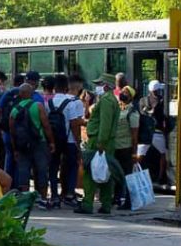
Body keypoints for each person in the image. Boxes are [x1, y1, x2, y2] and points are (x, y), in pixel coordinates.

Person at [76, 76, 120, 215]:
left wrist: (101, 141)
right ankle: (106, 204)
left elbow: (105, 123)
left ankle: (87, 203)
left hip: (98, 141)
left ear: (106, 85)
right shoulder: (111, 100)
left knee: (90, 171)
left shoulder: (106, 100)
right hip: (107, 141)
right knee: (106, 172)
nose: (97, 87)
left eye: (99, 84)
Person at [9, 83, 55, 207]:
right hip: (39, 142)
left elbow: (12, 132)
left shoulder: (14, 110)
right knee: (41, 170)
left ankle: (25, 200)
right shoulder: (38, 106)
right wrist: (51, 142)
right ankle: (43, 199)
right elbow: (46, 126)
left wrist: (15, 149)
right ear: (32, 94)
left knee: (23, 170)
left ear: (20, 95)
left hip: (22, 145)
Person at [48, 74, 84, 209]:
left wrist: (50, 141)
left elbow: (46, 123)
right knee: (71, 167)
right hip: (69, 140)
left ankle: (54, 196)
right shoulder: (72, 103)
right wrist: (77, 141)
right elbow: (75, 124)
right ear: (66, 87)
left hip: (53, 140)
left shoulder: (49, 103)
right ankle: (69, 194)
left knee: (53, 167)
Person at [114, 86, 140, 209]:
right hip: (115, 147)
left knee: (127, 175)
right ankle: (117, 198)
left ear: (131, 97)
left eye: (126, 93)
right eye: (122, 91)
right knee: (116, 174)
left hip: (126, 148)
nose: (122, 94)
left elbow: (135, 136)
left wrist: (134, 153)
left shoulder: (132, 112)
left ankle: (129, 201)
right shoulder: (118, 109)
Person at [139, 80, 169, 184]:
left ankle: (135, 175)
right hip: (158, 133)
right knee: (163, 154)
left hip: (146, 133)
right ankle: (161, 177)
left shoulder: (143, 101)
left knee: (139, 156)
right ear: (157, 90)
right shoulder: (162, 102)